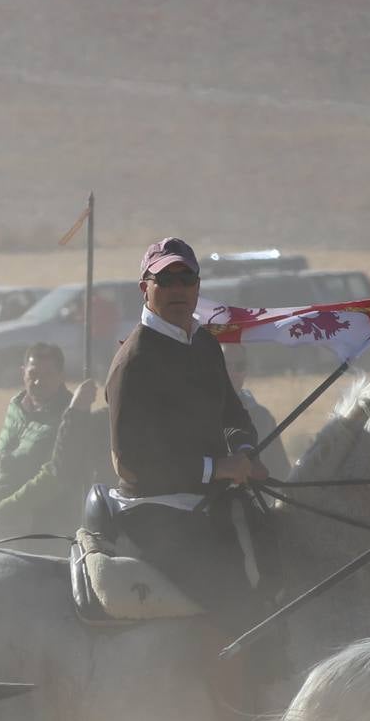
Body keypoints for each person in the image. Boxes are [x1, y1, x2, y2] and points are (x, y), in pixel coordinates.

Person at [99, 236, 274, 655]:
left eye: (186, 278)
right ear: (145, 287)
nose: (177, 288)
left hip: (209, 499)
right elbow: (131, 461)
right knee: (241, 612)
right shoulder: (135, 360)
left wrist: (246, 454)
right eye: (166, 279)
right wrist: (217, 469)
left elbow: (234, 417)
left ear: (198, 285)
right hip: (158, 511)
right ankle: (236, 709)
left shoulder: (205, 344)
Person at [0, 343, 106, 538]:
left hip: (39, 526)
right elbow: (0, 460)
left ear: (61, 376)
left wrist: (1, 514)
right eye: (33, 374)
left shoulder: (71, 419)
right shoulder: (16, 406)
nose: (38, 382)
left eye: (47, 375)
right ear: (23, 373)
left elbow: (53, 476)